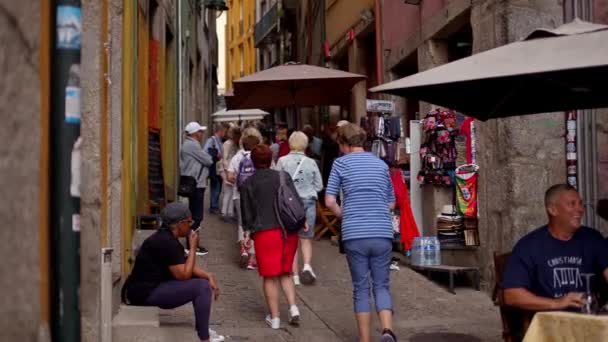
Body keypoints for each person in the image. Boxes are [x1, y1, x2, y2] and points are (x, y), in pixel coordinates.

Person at [324, 123, 397, 342]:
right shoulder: (381, 165)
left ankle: (365, 339)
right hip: (382, 231)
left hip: (354, 233)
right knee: (382, 284)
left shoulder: (340, 164)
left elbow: (329, 201)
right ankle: (387, 331)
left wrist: (343, 214)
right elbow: (391, 203)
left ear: (343, 143)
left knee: (361, 287)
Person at [122, 202, 224, 342]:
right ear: (180, 224)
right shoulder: (166, 242)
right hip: (144, 293)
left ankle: (202, 329)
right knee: (201, 287)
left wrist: (208, 275)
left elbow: (183, 264)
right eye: (189, 222)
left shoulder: (166, 237)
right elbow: (184, 275)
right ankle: (204, 338)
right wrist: (193, 247)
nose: (191, 226)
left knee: (203, 282)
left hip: (145, 289)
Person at [502, 184, 608, 311]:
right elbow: (512, 295)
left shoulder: (593, 239)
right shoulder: (529, 246)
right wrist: (557, 303)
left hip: (588, 318)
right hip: (550, 322)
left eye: (580, 204)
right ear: (553, 210)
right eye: (572, 204)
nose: (580, 209)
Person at [240, 144, 304, 329]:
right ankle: (293, 308)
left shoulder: (248, 184)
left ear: (253, 161)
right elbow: (296, 201)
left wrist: (247, 234)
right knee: (286, 272)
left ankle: (274, 318)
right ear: (270, 160)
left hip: (265, 233)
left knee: (269, 277)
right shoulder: (283, 177)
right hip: (288, 231)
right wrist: (303, 221)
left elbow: (247, 214)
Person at [276, 131, 323, 286]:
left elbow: (278, 183)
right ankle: (307, 266)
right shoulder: (311, 162)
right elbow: (319, 185)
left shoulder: (282, 161)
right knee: (306, 238)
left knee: (291, 238)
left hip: (289, 205)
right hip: (308, 202)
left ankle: (294, 274)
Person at [227, 128, 263, 269]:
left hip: (239, 195)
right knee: (256, 225)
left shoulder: (237, 157)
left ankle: (243, 249)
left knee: (242, 224)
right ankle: (253, 258)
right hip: (257, 196)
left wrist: (238, 181)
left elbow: (230, 177)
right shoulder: (260, 156)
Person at [180, 122, 213, 256]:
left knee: (194, 214)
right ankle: (191, 245)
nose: (202, 134)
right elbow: (208, 160)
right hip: (196, 184)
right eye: (200, 131)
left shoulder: (189, 144)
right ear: (194, 133)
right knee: (196, 216)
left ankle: (194, 244)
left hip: (195, 183)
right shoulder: (192, 145)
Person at [204, 123, 229, 215]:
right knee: (215, 186)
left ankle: (215, 205)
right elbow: (205, 151)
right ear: (221, 131)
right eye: (225, 132)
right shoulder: (212, 140)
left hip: (218, 167)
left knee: (218, 186)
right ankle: (213, 207)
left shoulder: (219, 141)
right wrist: (216, 154)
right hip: (214, 167)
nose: (225, 134)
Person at [219, 126, 241, 221]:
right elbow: (224, 158)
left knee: (231, 191)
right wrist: (228, 171)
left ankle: (229, 212)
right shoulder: (228, 144)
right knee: (228, 191)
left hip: (230, 170)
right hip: (227, 170)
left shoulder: (234, 144)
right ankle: (225, 213)